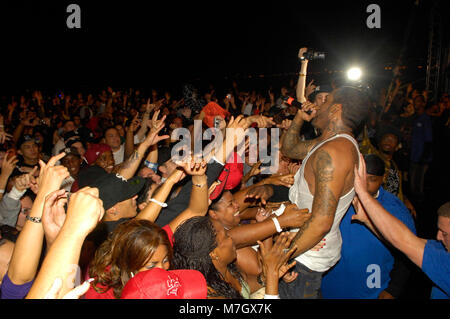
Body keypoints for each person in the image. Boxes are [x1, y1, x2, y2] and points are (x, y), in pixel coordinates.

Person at [279, 86, 370, 298]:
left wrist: (280, 260)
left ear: (335, 110)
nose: (317, 105)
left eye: (325, 101)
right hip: (304, 252)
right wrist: (299, 118)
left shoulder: (334, 152)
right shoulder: (329, 144)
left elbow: (321, 223)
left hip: (303, 258)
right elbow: (290, 149)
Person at [352, 154, 449, 299]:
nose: (438, 236)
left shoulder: (445, 264)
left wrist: (362, 192)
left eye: (445, 233)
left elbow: (405, 244)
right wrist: (368, 220)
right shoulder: (443, 249)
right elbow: (400, 242)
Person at [321, 154, 416, 299]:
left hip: (372, 287)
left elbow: (409, 253)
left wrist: (393, 289)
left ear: (383, 178)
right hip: (332, 285)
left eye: (372, 179)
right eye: (361, 178)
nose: (364, 185)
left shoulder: (395, 209)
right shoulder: (338, 199)